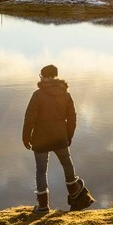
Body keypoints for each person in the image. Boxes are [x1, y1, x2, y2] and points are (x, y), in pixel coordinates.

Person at [22, 64, 93, 212]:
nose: (41, 78)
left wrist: (26, 136)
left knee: (41, 171)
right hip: (60, 138)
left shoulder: (38, 95)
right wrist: (68, 135)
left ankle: (43, 206)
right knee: (67, 164)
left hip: (40, 140)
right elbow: (72, 118)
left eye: (41, 76)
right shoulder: (65, 94)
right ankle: (74, 192)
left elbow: (29, 118)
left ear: (46, 77)